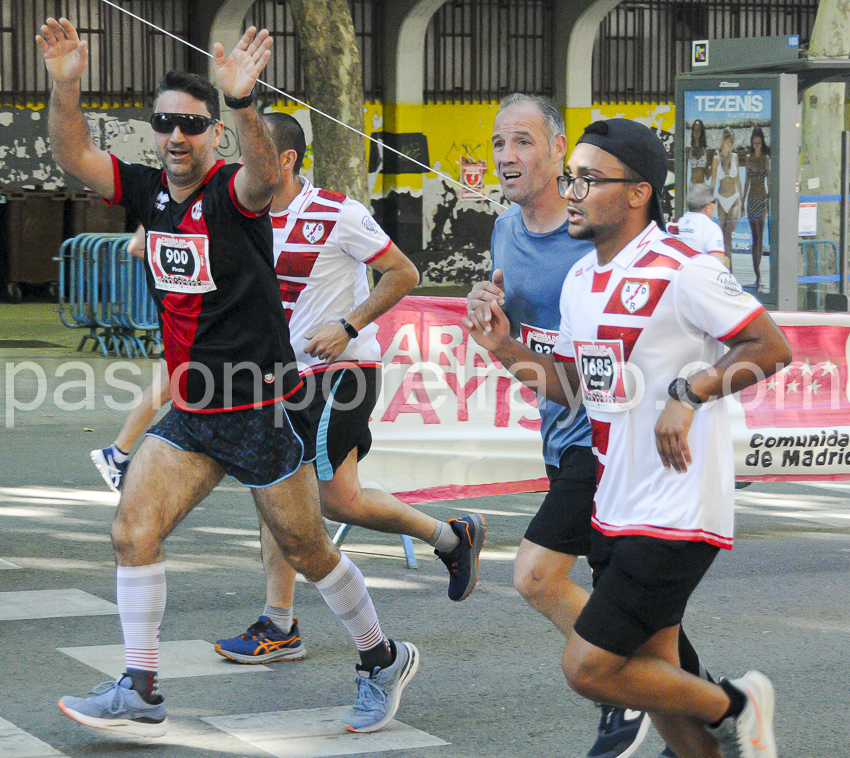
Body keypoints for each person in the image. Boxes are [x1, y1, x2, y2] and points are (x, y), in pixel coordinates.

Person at [40, 17, 417, 737]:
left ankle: (382, 657)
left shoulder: (235, 196)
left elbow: (266, 172)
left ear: (212, 133)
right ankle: (141, 685)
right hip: (191, 410)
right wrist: (66, 85)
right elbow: (73, 153)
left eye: (192, 125)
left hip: (262, 408)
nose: (177, 137)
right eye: (165, 124)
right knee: (133, 529)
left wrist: (244, 103)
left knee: (308, 550)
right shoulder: (149, 191)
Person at [467, 117, 791, 758]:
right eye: (573, 179)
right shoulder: (583, 279)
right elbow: (577, 389)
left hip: (676, 508)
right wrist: (502, 345)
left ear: (638, 192)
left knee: (588, 668)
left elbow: (771, 347)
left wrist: (690, 392)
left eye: (589, 179)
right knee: (656, 679)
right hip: (614, 504)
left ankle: (739, 703)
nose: (575, 193)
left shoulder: (683, 269)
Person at [213, 112, 486, 663]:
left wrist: (348, 326)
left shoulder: (337, 213)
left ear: (285, 160)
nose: (243, 166)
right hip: (280, 377)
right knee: (273, 491)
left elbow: (403, 273)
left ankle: (451, 538)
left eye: (253, 154)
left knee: (336, 500)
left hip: (343, 371)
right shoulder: (243, 215)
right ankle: (280, 625)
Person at [90, 227, 169, 493]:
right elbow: (135, 246)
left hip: (182, 306)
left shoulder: (177, 198)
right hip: (182, 309)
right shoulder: (170, 199)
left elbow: (136, 246)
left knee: (181, 390)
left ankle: (122, 454)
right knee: (167, 388)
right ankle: (119, 453)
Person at [667, 185, 729, 269]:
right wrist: (726, 261)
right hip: (696, 277)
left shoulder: (670, 226)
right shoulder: (711, 228)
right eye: (714, 202)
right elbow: (719, 262)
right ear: (708, 206)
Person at [743, 126, 770, 292]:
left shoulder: (766, 159)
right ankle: (757, 274)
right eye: (755, 143)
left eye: (759, 142)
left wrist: (771, 196)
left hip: (763, 198)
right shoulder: (749, 159)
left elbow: (770, 178)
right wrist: (743, 200)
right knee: (755, 238)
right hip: (752, 199)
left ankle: (758, 276)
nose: (757, 145)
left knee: (761, 237)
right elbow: (746, 180)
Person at [712, 127, 742, 265]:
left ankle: (730, 267)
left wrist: (742, 201)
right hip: (721, 198)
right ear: (723, 141)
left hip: (734, 198)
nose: (730, 143)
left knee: (729, 234)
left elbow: (738, 181)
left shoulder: (735, 157)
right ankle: (724, 266)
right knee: (722, 236)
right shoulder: (716, 158)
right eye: (728, 140)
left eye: (732, 141)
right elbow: (713, 183)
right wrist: (710, 203)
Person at [686, 119, 710, 190]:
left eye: (698, 130)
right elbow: (685, 173)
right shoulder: (689, 150)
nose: (696, 132)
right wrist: (684, 190)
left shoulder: (706, 151)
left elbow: (707, 176)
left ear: (701, 132)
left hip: (702, 186)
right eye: (694, 129)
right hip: (692, 186)